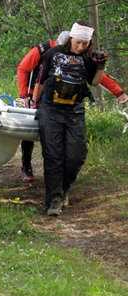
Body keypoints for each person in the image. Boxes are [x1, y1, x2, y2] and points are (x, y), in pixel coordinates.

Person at [17, 31, 127, 183]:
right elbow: (23, 69)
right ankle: (26, 166)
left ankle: (62, 173)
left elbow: (97, 75)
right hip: (36, 90)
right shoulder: (42, 50)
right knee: (29, 127)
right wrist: (24, 96)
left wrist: (118, 92)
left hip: (63, 99)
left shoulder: (80, 54)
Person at [33, 21, 107, 216]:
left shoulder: (87, 59)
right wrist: (34, 104)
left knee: (76, 155)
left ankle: (64, 190)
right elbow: (40, 81)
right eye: (77, 42)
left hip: (75, 111)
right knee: (53, 155)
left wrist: (100, 66)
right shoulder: (53, 53)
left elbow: (93, 82)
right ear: (70, 38)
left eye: (85, 44)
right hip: (50, 109)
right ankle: (54, 200)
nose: (80, 47)